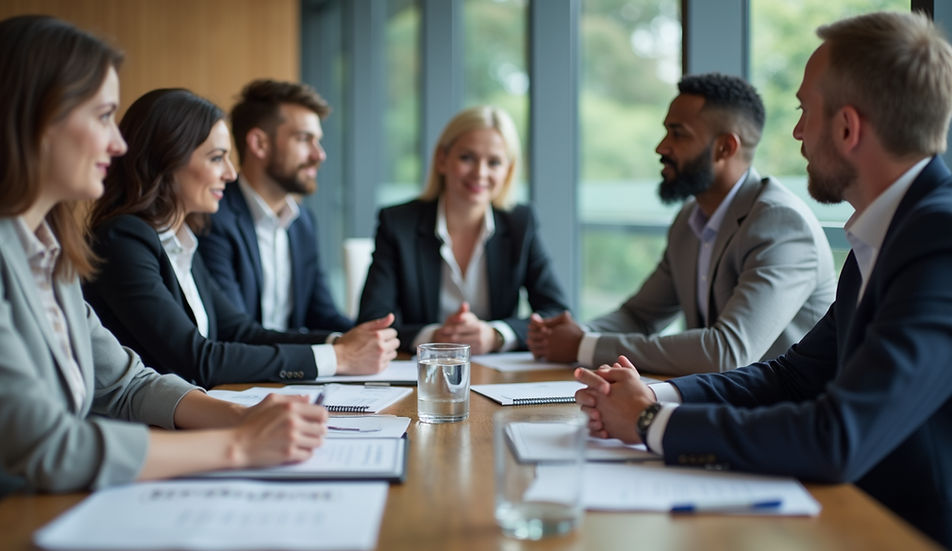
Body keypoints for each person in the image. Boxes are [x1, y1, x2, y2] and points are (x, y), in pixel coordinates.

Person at [575, 11, 952, 547]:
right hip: (849, 513)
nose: (796, 131)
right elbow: (792, 378)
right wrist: (657, 394)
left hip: (902, 530)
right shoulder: (887, 233)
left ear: (847, 128)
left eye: (805, 113)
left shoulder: (937, 239)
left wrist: (648, 424)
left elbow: (837, 435)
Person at [0, 15, 328, 516]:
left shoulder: (54, 251)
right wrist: (240, 446)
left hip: (56, 507)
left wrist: (236, 417)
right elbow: (49, 447)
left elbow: (125, 384)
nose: (118, 144)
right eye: (102, 117)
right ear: (34, 118)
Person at [83, 88, 399, 388]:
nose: (231, 173)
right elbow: (197, 358)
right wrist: (336, 357)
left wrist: (338, 344)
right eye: (217, 158)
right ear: (168, 160)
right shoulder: (123, 239)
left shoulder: (179, 240)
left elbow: (240, 331)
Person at [528, 73, 836, 375]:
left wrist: (584, 345)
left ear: (725, 148)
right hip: (720, 404)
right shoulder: (689, 220)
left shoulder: (781, 224)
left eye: (678, 134)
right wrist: (572, 333)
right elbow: (639, 316)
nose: (661, 147)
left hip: (782, 415)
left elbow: (728, 352)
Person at [357, 106, 569, 355]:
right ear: (442, 160)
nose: (480, 172)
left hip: (498, 378)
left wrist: (496, 335)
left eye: (494, 162)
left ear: (508, 170)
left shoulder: (521, 222)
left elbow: (556, 313)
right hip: (421, 375)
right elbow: (372, 321)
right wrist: (434, 337)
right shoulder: (397, 223)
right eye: (467, 157)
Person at [197, 79, 353, 336]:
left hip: (292, 372)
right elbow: (235, 333)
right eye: (304, 139)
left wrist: (368, 336)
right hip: (244, 373)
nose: (319, 154)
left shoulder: (303, 221)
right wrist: (334, 347)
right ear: (259, 144)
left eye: (318, 141)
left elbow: (323, 315)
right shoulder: (212, 217)